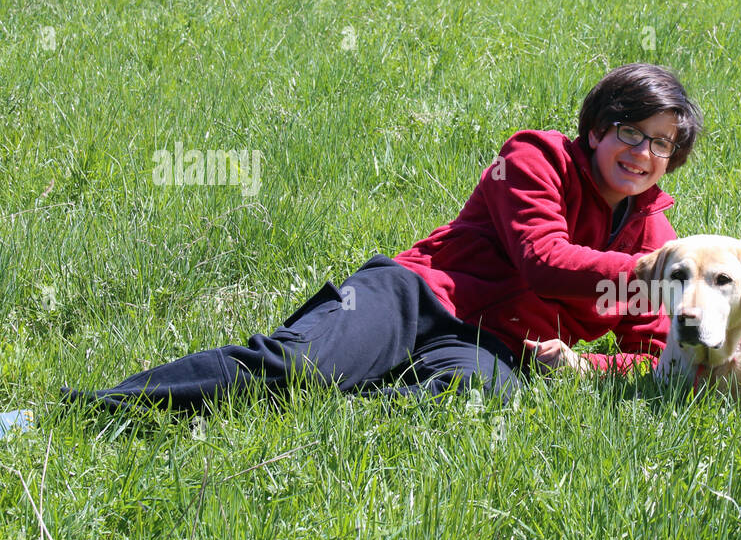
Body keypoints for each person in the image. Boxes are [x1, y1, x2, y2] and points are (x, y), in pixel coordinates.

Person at [52, 63, 703, 415]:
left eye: (662, 143)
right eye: (631, 131)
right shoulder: (534, 158)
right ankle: (79, 413)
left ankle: (336, 412)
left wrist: (586, 366)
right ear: (596, 130)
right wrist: (651, 273)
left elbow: (659, 356)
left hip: (497, 349)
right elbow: (542, 261)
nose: (643, 152)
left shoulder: (654, 233)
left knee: (476, 405)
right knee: (295, 369)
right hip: (412, 298)